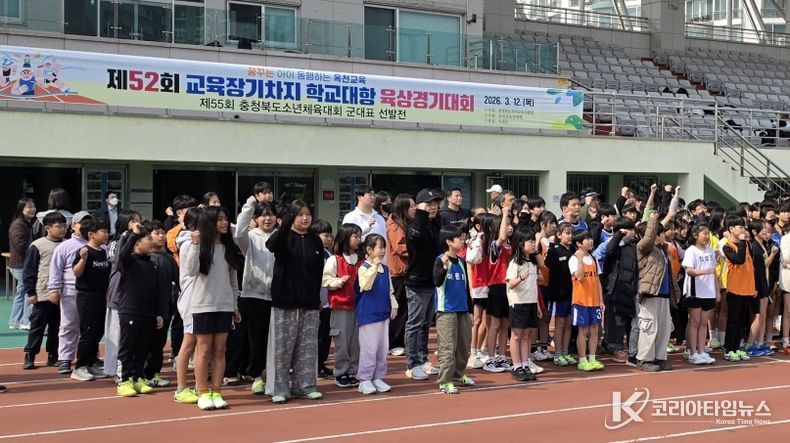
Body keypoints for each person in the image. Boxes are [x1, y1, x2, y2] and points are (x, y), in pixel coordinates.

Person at [265, 200, 324, 404]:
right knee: (282, 347)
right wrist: (286, 223)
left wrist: (316, 299)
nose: (305, 218)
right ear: (291, 217)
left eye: (307, 214)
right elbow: (271, 246)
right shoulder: (283, 237)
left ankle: (305, 386)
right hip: (285, 300)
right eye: (299, 215)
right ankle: (279, 388)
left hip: (309, 301)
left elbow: (318, 272)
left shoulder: (315, 240)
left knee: (307, 348)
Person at [183, 207, 243, 410]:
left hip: (224, 305)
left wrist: (234, 306)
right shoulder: (201, 247)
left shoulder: (229, 248)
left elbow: (233, 281)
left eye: (226, 219)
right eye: (219, 220)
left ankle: (216, 391)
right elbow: (190, 270)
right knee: (203, 349)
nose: (224, 223)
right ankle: (202, 392)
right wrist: (194, 243)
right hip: (203, 305)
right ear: (210, 223)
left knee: (219, 350)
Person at [115, 222, 166, 398]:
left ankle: (137, 377)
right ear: (137, 244)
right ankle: (124, 380)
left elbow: (156, 290)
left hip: (148, 312)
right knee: (128, 347)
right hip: (130, 311)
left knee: (142, 348)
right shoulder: (129, 261)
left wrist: (158, 312)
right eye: (148, 240)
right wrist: (133, 234)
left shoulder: (152, 264)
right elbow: (122, 254)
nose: (152, 243)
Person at [235, 196, 278, 395]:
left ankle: (273, 375)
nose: (267, 219)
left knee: (276, 340)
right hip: (254, 296)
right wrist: (249, 206)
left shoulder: (281, 237)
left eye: (270, 214)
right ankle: (258, 376)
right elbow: (238, 232)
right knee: (257, 339)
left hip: (278, 296)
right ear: (256, 218)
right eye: (262, 215)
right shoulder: (250, 238)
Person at [47, 210, 94, 375]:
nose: (86, 226)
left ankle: (89, 358)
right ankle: (65, 358)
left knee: (89, 328)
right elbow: (56, 269)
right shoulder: (64, 246)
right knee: (68, 325)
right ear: (73, 226)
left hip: (92, 292)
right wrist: (54, 289)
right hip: (70, 291)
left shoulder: (98, 244)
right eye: (82, 223)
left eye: (90, 222)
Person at [404, 188, 444, 380]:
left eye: (435, 203)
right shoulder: (415, 225)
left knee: (426, 324)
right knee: (415, 324)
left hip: (431, 281)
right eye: (429, 204)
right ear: (420, 206)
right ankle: (412, 364)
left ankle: (422, 358)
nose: (433, 207)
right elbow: (416, 236)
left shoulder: (435, 225)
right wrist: (421, 213)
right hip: (416, 282)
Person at [635, 210, 679, 372]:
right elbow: (647, 240)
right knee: (649, 327)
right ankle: (644, 359)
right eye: (659, 233)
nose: (663, 236)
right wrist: (652, 221)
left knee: (664, 328)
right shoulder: (643, 248)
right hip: (650, 294)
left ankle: (659, 358)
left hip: (664, 295)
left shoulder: (663, 250)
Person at [22, 212, 67, 370]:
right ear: (47, 228)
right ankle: (30, 354)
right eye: (59, 226)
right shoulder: (38, 245)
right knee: (37, 326)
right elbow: (29, 271)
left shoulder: (67, 244)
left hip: (62, 294)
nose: (63, 229)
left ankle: (53, 355)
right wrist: (31, 292)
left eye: (64, 225)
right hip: (42, 293)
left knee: (57, 326)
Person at [355, 234, 398, 394]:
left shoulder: (385, 269)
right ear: (369, 249)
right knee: (369, 348)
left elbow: (390, 290)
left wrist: (393, 305)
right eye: (379, 247)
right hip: (368, 315)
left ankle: (378, 377)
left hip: (383, 314)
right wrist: (373, 267)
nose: (382, 251)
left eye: (383, 247)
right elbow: (365, 285)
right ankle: (365, 379)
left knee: (382, 348)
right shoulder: (364, 268)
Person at [433, 225, 474, 394]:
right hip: (446, 310)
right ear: (449, 241)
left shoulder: (462, 262)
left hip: (462, 309)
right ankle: (445, 380)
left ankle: (458, 374)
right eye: (459, 238)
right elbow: (436, 282)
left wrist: (470, 310)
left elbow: (466, 288)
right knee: (448, 347)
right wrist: (443, 267)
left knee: (464, 346)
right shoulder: (440, 260)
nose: (462, 240)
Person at [322, 223, 363, 388]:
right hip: (341, 306)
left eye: (360, 236)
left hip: (358, 306)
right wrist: (339, 281)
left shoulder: (361, 260)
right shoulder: (335, 259)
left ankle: (353, 371)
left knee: (356, 342)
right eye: (356, 236)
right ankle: (340, 372)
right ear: (346, 238)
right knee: (342, 341)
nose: (359, 240)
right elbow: (325, 280)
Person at [70, 218, 111, 382]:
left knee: (98, 330)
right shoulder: (84, 251)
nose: (107, 234)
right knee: (88, 331)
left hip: (102, 295)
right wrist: (83, 259)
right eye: (103, 232)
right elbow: (76, 272)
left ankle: (92, 362)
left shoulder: (103, 252)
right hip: (87, 296)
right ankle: (79, 367)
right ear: (92, 234)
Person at [506, 228, 544, 381]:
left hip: (531, 302)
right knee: (516, 335)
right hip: (519, 302)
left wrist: (538, 306)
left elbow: (537, 282)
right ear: (521, 244)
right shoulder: (515, 262)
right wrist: (520, 278)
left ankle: (525, 363)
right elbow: (510, 284)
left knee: (527, 334)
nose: (534, 244)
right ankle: (516, 365)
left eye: (534, 241)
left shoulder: (533, 262)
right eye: (530, 241)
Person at [145, 220, 179, 387]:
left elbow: (179, 281)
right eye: (157, 233)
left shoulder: (168, 259)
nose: (161, 236)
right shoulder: (142, 258)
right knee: (143, 342)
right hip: (144, 308)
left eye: (163, 233)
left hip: (163, 308)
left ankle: (154, 373)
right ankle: (139, 374)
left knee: (158, 343)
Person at [173, 207, 202, 404]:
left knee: (202, 343)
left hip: (202, 298)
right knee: (189, 342)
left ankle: (200, 386)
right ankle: (181, 387)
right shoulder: (187, 243)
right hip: (191, 299)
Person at [482, 198, 514, 373]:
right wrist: (505, 213)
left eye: (510, 225)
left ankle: (502, 355)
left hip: (510, 288)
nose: (509, 227)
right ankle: (491, 356)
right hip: (496, 287)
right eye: (506, 224)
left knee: (505, 324)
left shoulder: (513, 246)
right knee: (494, 324)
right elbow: (501, 236)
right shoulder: (495, 246)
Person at [721, 215, 757, 362]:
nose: (743, 229)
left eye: (743, 227)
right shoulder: (727, 246)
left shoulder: (747, 245)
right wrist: (742, 241)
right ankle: (729, 349)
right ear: (731, 229)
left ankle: (737, 348)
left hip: (747, 289)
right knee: (733, 321)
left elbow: (751, 265)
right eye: (740, 227)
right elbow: (739, 259)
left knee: (742, 321)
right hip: (735, 289)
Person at [682, 223, 718, 365]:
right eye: (704, 234)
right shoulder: (691, 251)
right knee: (695, 322)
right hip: (695, 291)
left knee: (703, 323)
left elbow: (714, 271)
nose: (707, 237)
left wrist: (716, 289)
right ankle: (692, 352)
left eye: (708, 233)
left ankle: (702, 351)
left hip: (709, 292)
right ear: (696, 235)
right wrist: (705, 272)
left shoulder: (710, 251)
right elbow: (689, 270)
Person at [570, 230, 605, 372]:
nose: (590, 241)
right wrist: (579, 259)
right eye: (586, 239)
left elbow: (598, 282)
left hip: (594, 301)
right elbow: (580, 278)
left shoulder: (594, 259)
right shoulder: (573, 259)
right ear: (578, 243)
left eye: (590, 238)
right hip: (581, 301)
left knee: (595, 331)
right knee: (583, 331)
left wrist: (601, 300)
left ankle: (592, 358)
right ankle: (582, 360)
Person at [386, 194, 415, 356]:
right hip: (397, 273)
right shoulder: (395, 225)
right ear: (404, 208)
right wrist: (416, 251)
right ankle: (394, 342)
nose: (415, 209)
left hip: (402, 271)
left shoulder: (402, 223)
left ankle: (399, 341)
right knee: (398, 309)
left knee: (404, 308)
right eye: (412, 206)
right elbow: (399, 247)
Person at [745, 219, 778, 357]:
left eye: (766, 228)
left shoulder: (762, 245)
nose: (766, 230)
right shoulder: (755, 247)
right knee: (758, 316)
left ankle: (759, 343)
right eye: (763, 228)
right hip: (758, 285)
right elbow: (761, 267)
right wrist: (773, 254)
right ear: (754, 231)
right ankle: (749, 344)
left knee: (763, 316)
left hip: (764, 284)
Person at [545, 223, 575, 366]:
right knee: (560, 323)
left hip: (572, 293)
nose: (570, 236)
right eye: (567, 233)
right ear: (559, 235)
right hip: (558, 293)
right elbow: (547, 266)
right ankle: (557, 354)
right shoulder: (555, 251)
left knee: (569, 323)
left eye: (571, 233)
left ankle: (565, 352)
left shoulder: (574, 250)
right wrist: (549, 246)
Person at [8, 197, 36, 330]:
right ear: (21, 209)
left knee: (21, 292)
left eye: (33, 206)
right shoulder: (18, 225)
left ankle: (15, 320)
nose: (32, 209)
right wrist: (34, 257)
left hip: (20, 264)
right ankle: (26, 321)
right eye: (29, 207)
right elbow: (21, 246)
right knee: (28, 291)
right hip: (21, 264)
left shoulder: (25, 223)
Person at [312, 220, 334, 379]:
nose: (329, 238)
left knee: (326, 335)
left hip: (329, 302)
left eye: (330, 235)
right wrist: (316, 300)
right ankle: (313, 365)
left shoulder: (329, 254)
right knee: (316, 335)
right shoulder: (314, 253)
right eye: (325, 235)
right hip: (317, 302)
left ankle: (321, 363)